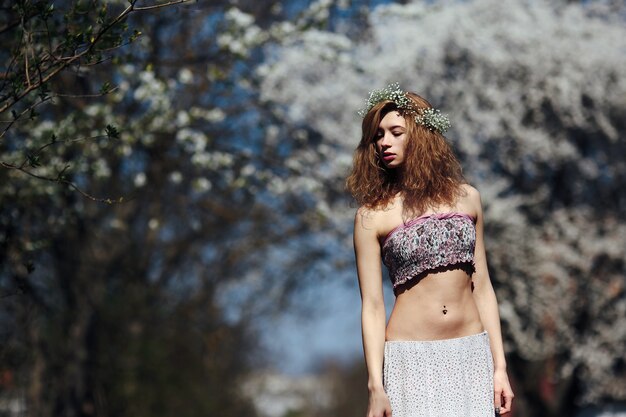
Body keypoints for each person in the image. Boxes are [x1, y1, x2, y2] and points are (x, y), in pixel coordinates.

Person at [346, 83, 514, 417]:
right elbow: (373, 307)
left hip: (471, 355)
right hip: (411, 361)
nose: (384, 143)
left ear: (422, 135)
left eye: (395, 132)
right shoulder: (371, 216)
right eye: (378, 136)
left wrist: (500, 367)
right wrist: (375, 386)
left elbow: (482, 287)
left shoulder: (468, 198)